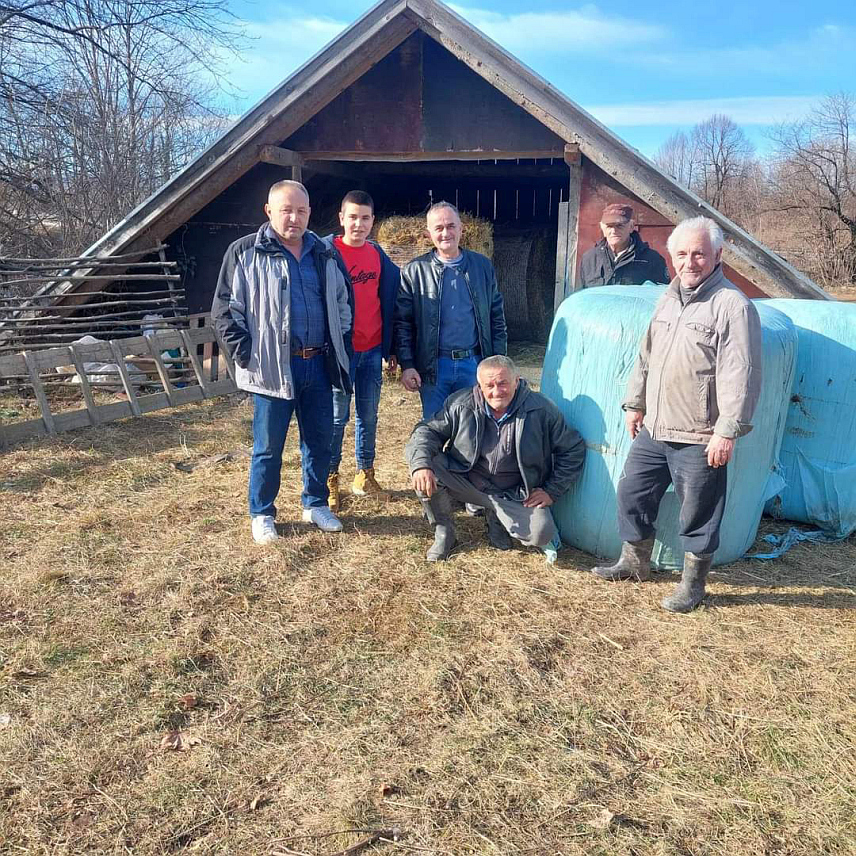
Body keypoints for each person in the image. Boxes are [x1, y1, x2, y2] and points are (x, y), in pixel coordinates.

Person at [591, 216, 762, 612]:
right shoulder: (668, 298)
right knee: (632, 491)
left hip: (700, 433)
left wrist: (727, 431)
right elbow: (646, 357)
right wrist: (636, 404)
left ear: (718, 255)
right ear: (672, 257)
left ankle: (693, 584)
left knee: (698, 511)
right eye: (682, 253)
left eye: (699, 253)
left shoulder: (732, 306)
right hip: (655, 427)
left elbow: (743, 373)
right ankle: (634, 563)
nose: (690, 261)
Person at [212, 180, 352, 544]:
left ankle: (315, 503)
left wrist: (341, 343)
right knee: (268, 447)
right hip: (272, 369)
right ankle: (261, 513)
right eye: (286, 210)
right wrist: (248, 356)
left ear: (309, 212)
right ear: (269, 211)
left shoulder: (325, 252)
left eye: (301, 210)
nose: (294, 218)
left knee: (319, 441)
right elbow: (225, 312)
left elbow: (342, 302)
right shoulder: (245, 252)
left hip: (318, 364)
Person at [405, 355, 585, 563]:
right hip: (468, 480)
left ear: (517, 381)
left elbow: (573, 448)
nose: (496, 391)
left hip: (513, 493)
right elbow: (426, 431)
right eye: (489, 385)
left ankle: (495, 517)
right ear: (479, 386)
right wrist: (420, 465)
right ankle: (445, 532)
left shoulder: (541, 409)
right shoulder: (461, 403)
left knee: (541, 533)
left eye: (503, 383)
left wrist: (552, 490)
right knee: (427, 469)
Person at [322, 191, 401, 513]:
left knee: (368, 415)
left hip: (372, 350)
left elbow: (390, 301)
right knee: (337, 418)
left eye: (365, 218)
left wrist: (391, 347)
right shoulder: (327, 255)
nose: (359, 224)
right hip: (342, 353)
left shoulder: (378, 255)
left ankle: (365, 475)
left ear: (373, 221)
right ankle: (329, 479)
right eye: (352, 217)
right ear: (341, 218)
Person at [395, 201, 507, 420]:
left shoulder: (482, 267)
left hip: (473, 364)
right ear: (428, 234)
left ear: (461, 228)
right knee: (434, 431)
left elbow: (496, 316)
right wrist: (407, 365)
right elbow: (402, 323)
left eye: (451, 226)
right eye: (439, 228)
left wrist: (499, 361)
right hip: (434, 368)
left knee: (471, 430)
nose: (446, 233)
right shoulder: (415, 271)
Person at [579, 203, 669, 287]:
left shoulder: (652, 259)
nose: (613, 231)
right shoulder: (589, 259)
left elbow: (662, 297)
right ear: (602, 227)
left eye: (619, 226)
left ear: (631, 227)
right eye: (609, 226)